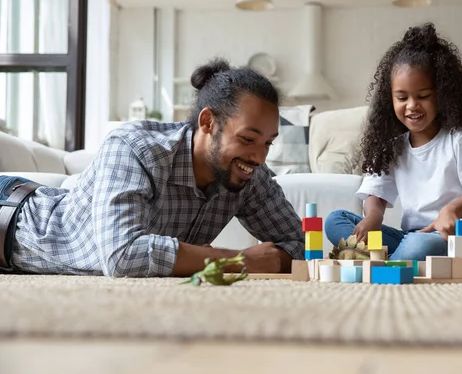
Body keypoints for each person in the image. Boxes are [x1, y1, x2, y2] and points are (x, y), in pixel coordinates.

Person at [0, 58, 304, 277]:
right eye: (248, 138)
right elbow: (123, 256)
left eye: (268, 143)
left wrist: (276, 258)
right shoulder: (135, 147)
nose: (259, 156)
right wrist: (240, 260)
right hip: (12, 219)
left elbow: (300, 245)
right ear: (208, 123)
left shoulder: (249, 172)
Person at [324, 22, 462, 261]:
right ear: (390, 99)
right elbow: (375, 194)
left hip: (452, 238)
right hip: (411, 236)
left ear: (442, 95)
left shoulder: (461, 135)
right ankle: (390, 261)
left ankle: (383, 265)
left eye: (423, 96)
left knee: (416, 246)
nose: (411, 105)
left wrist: (450, 211)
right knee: (336, 221)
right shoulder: (394, 145)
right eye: (402, 97)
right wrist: (373, 218)